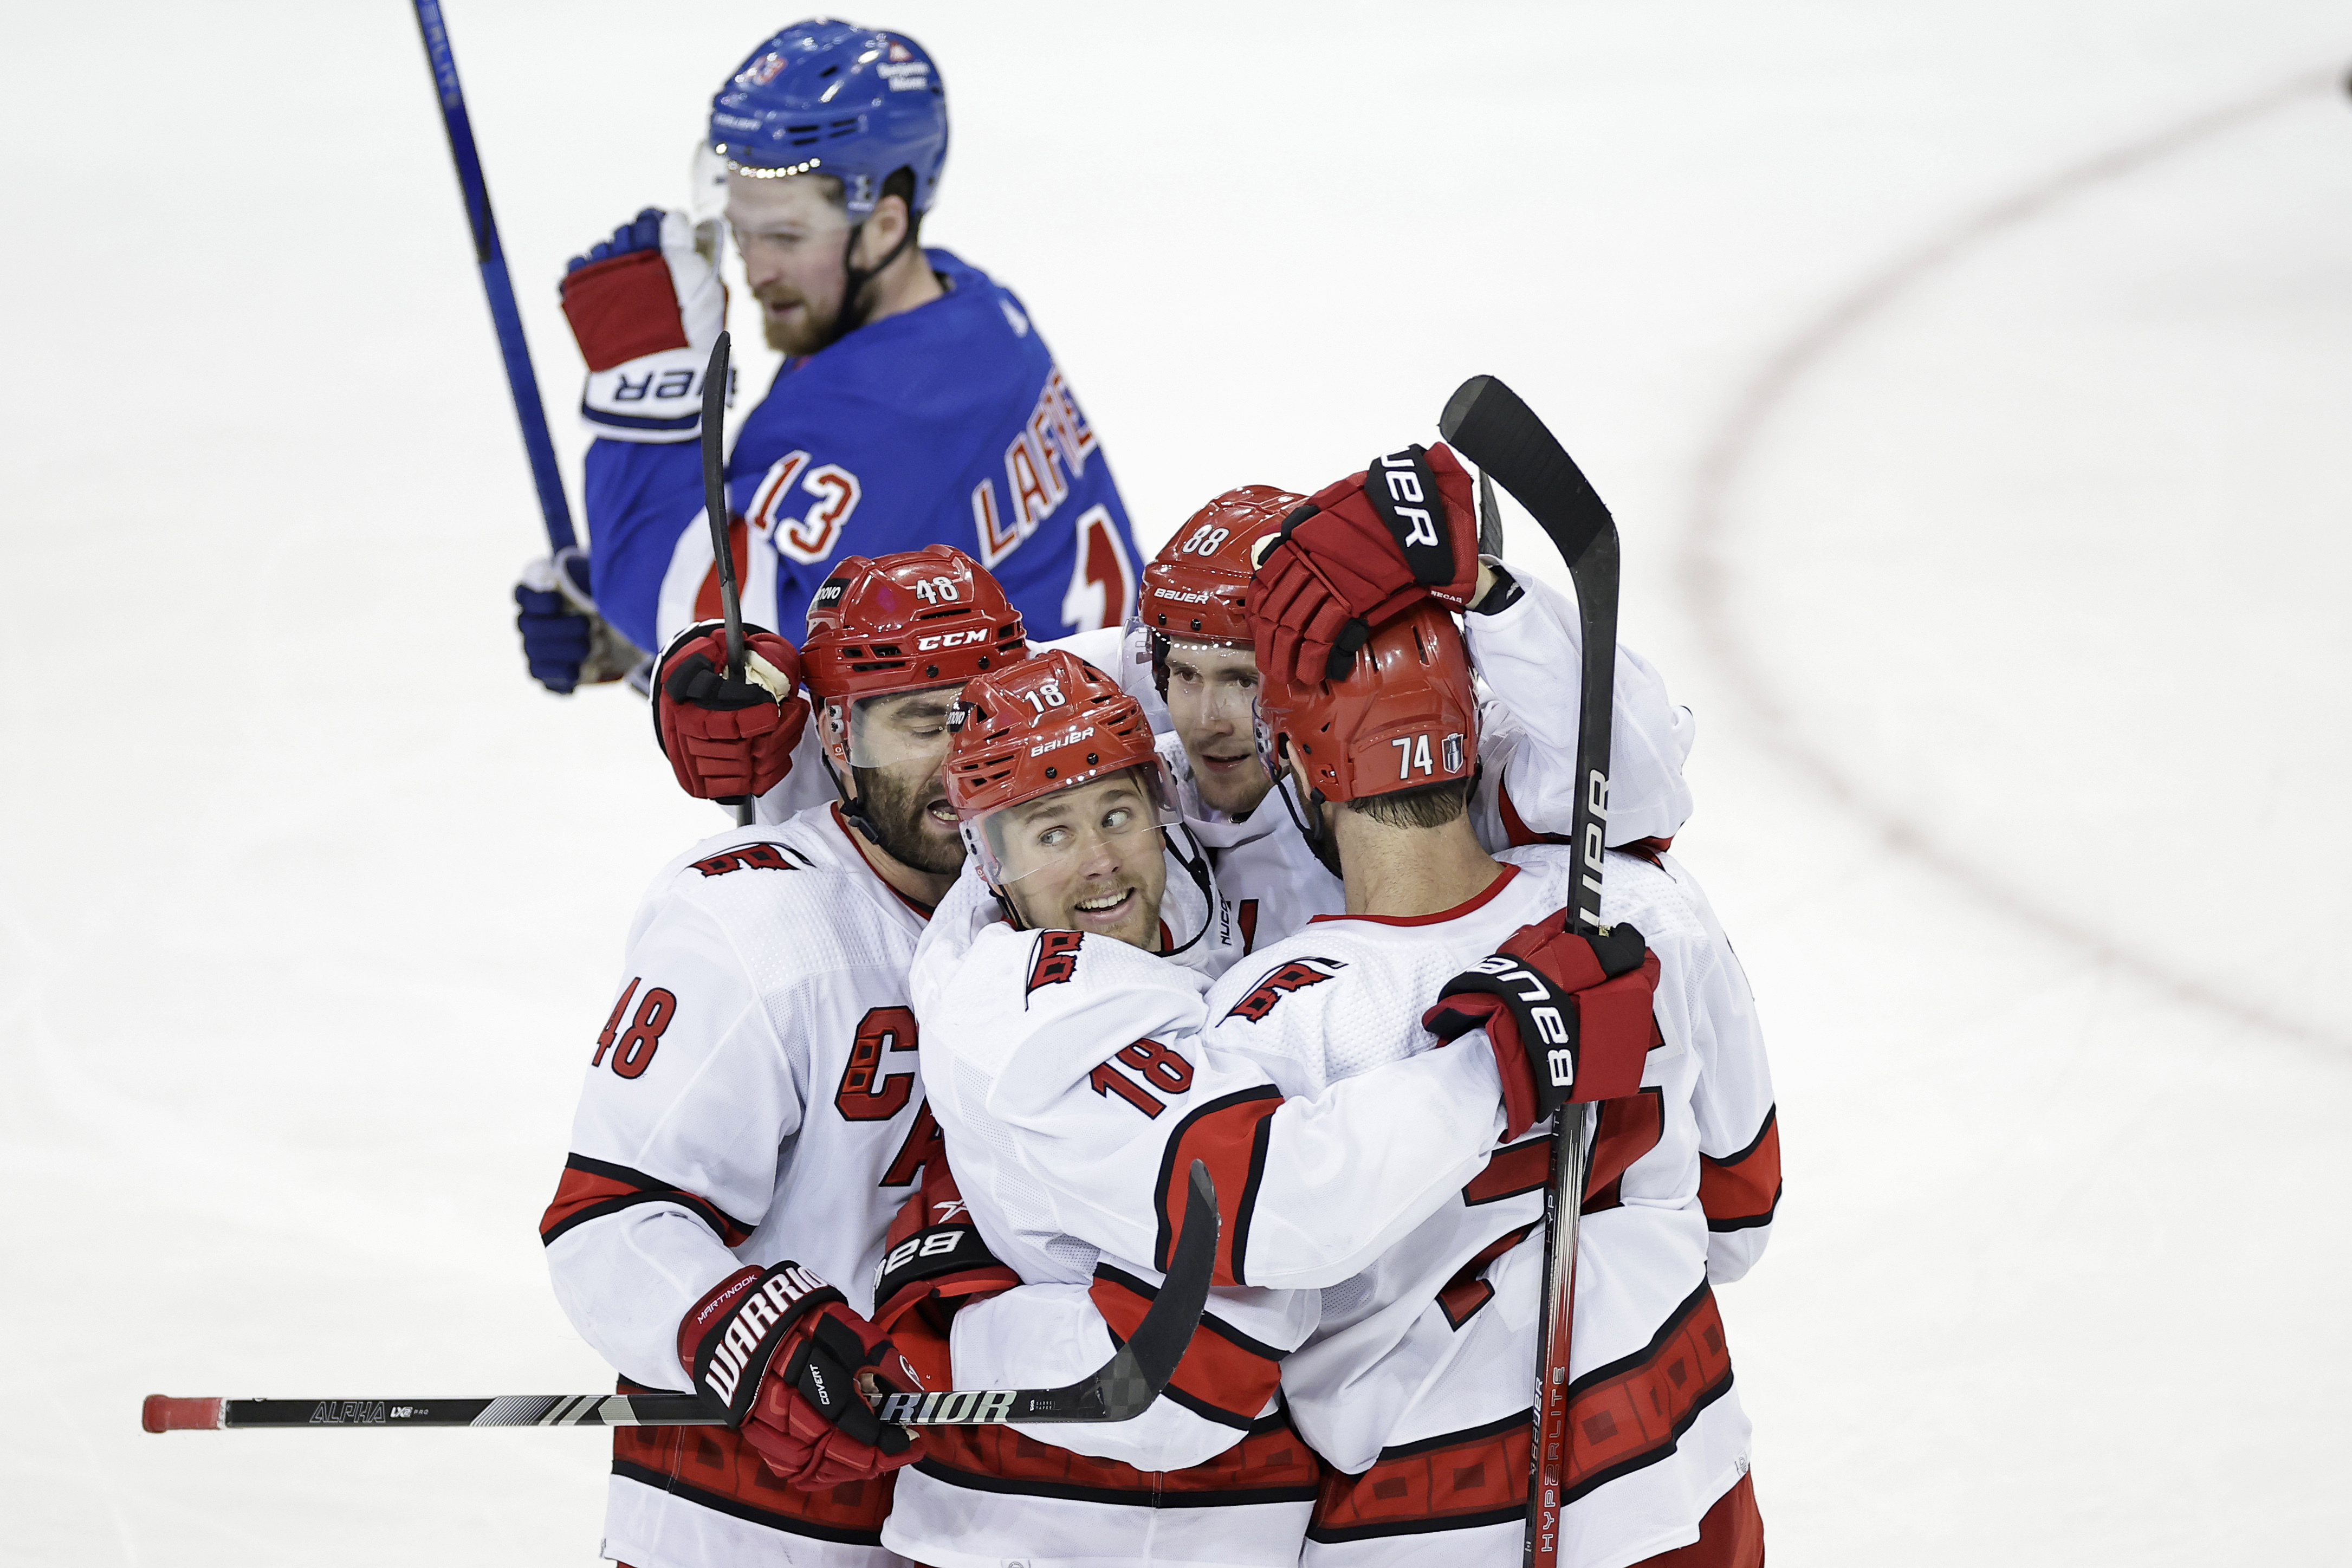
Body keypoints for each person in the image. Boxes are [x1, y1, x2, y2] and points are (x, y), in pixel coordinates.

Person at [878, 646, 1651, 1568]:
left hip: (1233, 1508)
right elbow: (1282, 1207)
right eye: (1050, 833)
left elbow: (1167, 693)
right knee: (1229, 1323)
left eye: (1118, 813)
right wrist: (1502, 1059)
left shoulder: (1159, 876)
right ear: (987, 854)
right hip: (1047, 1524)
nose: (1100, 863)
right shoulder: (1029, 1012)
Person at [538, 548, 1035, 1568]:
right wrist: (735, 1330)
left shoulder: (1056, 895)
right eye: (917, 719)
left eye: (977, 713)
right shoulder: (754, 923)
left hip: (971, 1517)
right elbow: (608, 1219)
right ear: (836, 737)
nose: (957, 756)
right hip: (743, 1527)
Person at [515, 18, 1140, 696]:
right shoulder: (966, 310)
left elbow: (741, 664)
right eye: (741, 232)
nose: (754, 270)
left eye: (786, 235)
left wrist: (649, 381)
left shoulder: (888, 413)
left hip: (1017, 789)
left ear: (885, 226)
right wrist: (640, 643)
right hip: (1061, 748)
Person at [1134, 461, 1697, 950]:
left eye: (1241, 680)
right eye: (1185, 676)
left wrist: (1489, 593)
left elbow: (1634, 787)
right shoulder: (1132, 784)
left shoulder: (1438, 763)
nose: (1207, 719)